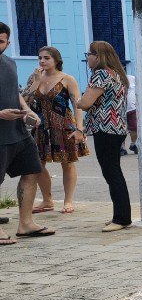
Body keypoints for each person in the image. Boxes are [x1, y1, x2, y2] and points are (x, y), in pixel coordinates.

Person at [0, 22, 52, 244]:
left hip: (19, 132)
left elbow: (16, 93)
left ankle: (26, 224)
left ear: (8, 43)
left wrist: (28, 110)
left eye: (1, 40)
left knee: (32, 170)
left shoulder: (10, 63)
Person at [23, 47, 89, 214]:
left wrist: (80, 129)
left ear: (56, 60)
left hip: (63, 125)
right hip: (41, 127)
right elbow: (24, 101)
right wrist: (36, 82)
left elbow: (77, 105)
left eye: (46, 58)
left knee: (67, 163)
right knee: (38, 164)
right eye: (40, 58)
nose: (42, 61)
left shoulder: (67, 79)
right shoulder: (34, 77)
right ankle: (47, 200)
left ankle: (68, 201)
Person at [76, 41, 132, 232]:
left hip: (105, 128)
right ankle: (121, 215)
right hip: (116, 129)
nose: (87, 58)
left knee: (111, 173)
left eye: (89, 54)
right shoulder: (117, 74)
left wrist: (77, 100)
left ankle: (122, 218)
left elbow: (85, 103)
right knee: (114, 171)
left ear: (98, 56)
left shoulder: (101, 74)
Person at [122, 73, 138, 155]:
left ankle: (133, 144)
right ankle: (122, 147)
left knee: (134, 127)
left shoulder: (132, 78)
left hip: (132, 108)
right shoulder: (114, 78)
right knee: (121, 129)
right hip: (120, 109)